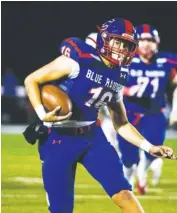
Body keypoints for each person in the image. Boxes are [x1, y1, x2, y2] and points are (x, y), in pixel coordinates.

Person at [24, 18, 176, 213]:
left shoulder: (120, 75)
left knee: (125, 195)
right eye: (118, 42)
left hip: (92, 137)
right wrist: (41, 114)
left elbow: (121, 124)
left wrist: (149, 147)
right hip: (58, 139)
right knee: (61, 209)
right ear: (104, 39)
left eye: (127, 45)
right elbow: (31, 80)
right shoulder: (79, 60)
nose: (122, 49)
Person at [117, 24, 177, 194]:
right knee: (128, 158)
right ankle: (127, 180)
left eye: (150, 40)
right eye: (142, 39)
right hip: (128, 114)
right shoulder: (125, 60)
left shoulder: (166, 61)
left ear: (156, 42)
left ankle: (142, 174)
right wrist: (127, 90)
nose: (146, 44)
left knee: (155, 150)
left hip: (154, 113)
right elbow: (107, 83)